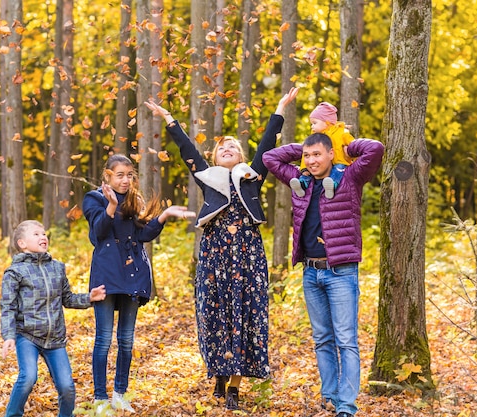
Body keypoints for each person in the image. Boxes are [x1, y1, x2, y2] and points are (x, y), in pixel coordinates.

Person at [144, 87, 299, 411]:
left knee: (246, 315)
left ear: (241, 157)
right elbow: (188, 151)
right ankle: (219, 370)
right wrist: (169, 119)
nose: (227, 148)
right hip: (215, 256)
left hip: (248, 256)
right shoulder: (207, 177)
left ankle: (234, 388)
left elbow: (268, 144)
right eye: (222, 147)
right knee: (214, 315)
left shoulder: (251, 177)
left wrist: (281, 107)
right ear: (214, 158)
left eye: (233, 146)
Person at [263, 133, 384, 417]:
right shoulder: (299, 181)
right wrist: (301, 149)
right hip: (311, 272)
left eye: (318, 154)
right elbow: (270, 158)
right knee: (322, 340)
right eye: (308, 155)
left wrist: (343, 144)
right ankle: (329, 397)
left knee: (346, 340)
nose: (312, 160)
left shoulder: (349, 178)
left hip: (341, 271)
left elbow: (374, 149)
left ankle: (346, 405)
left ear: (331, 154)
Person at [83, 154, 195, 414]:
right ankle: (100, 398)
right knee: (103, 340)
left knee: (126, 340)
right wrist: (111, 206)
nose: (125, 179)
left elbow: (143, 235)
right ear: (107, 175)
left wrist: (164, 215)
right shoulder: (94, 199)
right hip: (106, 276)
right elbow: (98, 234)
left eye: (129, 174)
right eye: (120, 174)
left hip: (133, 275)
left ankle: (120, 394)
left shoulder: (135, 200)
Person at [0, 220, 107, 417]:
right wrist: (9, 336)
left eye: (44, 234)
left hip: (55, 339)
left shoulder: (57, 268)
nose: (43, 237)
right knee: (28, 377)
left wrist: (89, 298)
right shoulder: (15, 272)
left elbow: (68, 299)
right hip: (28, 336)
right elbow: (8, 307)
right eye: (36, 234)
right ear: (22, 243)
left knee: (67, 387)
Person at [290, 102, 355, 199]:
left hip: (339, 161)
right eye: (311, 124)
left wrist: (351, 153)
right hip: (320, 165)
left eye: (314, 123)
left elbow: (355, 146)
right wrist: (304, 168)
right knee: (307, 172)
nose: (312, 126)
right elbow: (306, 154)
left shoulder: (342, 133)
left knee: (338, 170)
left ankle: (332, 186)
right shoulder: (314, 137)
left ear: (327, 122)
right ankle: (302, 185)